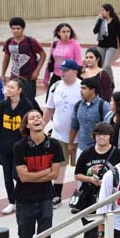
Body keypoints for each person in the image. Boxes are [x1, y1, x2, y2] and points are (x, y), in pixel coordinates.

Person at [12, 109, 64, 238]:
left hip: (45, 199)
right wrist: (45, 173)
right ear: (26, 125)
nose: (37, 119)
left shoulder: (55, 145)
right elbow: (23, 178)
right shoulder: (20, 147)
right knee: (25, 237)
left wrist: (33, 175)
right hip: (24, 199)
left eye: (39, 117)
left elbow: (55, 174)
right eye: (32, 118)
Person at [73, 122, 120, 238]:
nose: (102, 137)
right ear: (94, 136)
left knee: (103, 231)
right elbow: (77, 175)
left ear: (110, 137)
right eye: (99, 134)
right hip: (88, 199)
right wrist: (91, 179)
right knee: (90, 233)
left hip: (108, 198)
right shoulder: (87, 154)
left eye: (105, 134)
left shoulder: (117, 154)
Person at [0, 78, 41, 214]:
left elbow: (33, 123)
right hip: (5, 147)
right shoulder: (2, 105)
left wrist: (26, 142)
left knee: (17, 174)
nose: (8, 89)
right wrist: (0, 140)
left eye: (12, 87)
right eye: (7, 86)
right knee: (7, 176)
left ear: (20, 90)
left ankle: (28, 195)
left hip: (20, 147)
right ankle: (12, 202)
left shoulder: (27, 105)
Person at [42, 59, 81, 207]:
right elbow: (50, 109)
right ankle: (56, 195)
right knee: (59, 165)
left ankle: (80, 194)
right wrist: (42, 126)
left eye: (66, 70)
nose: (62, 73)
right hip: (59, 134)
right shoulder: (55, 86)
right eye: (61, 70)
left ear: (74, 71)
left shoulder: (81, 87)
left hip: (79, 136)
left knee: (79, 167)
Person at [1, 17, 46, 103]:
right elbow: (6, 57)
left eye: (18, 28)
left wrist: (37, 71)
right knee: (12, 99)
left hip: (29, 77)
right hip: (14, 76)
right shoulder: (9, 42)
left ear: (23, 29)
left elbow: (43, 55)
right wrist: (3, 74)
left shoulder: (30, 41)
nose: (15, 31)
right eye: (13, 28)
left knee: (28, 101)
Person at [69, 77, 111, 161]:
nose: (81, 91)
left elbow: (109, 129)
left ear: (92, 90)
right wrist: (70, 143)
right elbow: (74, 125)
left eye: (84, 88)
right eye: (81, 88)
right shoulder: (78, 105)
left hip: (99, 149)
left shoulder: (104, 106)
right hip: (82, 148)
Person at [44, 23, 82, 99]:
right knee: (50, 99)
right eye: (63, 32)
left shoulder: (75, 44)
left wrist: (75, 76)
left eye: (68, 31)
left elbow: (79, 62)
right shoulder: (55, 44)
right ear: (59, 33)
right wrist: (46, 77)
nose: (66, 34)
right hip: (56, 75)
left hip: (69, 76)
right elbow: (50, 61)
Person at [93, 3, 120, 81]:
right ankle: (110, 80)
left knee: (106, 65)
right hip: (101, 44)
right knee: (102, 64)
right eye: (101, 10)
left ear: (108, 11)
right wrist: (100, 20)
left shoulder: (115, 21)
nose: (101, 12)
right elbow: (95, 31)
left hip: (112, 45)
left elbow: (119, 35)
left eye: (103, 10)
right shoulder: (100, 20)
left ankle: (106, 80)